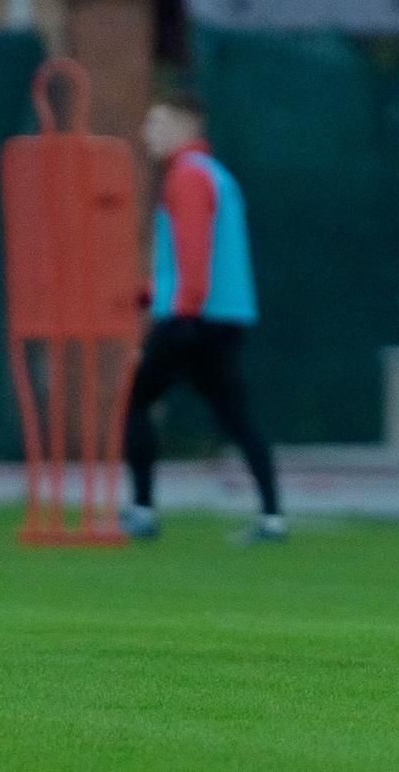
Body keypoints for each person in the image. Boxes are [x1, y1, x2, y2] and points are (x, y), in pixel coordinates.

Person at [120, 90, 285, 544]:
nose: (148, 134)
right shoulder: (216, 175)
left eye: (156, 124)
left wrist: (181, 314)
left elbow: (193, 257)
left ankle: (142, 511)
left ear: (186, 126)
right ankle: (272, 517)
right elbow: (194, 259)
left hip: (192, 317)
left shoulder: (187, 176)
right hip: (227, 316)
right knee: (236, 417)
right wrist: (148, 294)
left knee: (134, 402)